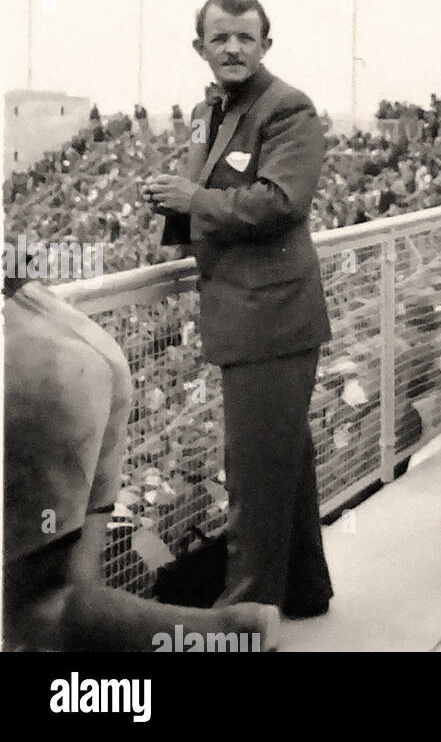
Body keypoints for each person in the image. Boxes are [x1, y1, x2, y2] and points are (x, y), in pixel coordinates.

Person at [146, 0, 333, 617]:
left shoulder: (288, 107)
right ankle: (305, 592)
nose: (232, 48)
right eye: (220, 37)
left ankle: (245, 616)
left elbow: (281, 202)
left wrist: (191, 201)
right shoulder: (212, 106)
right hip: (246, 312)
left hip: (272, 318)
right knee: (286, 460)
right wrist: (176, 221)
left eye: (245, 38)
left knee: (254, 472)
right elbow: (209, 188)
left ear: (265, 46)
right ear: (200, 46)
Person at [3, 269, 278, 651]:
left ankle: (222, 636)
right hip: (73, 341)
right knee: (74, 590)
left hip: (25, 364)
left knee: (37, 606)